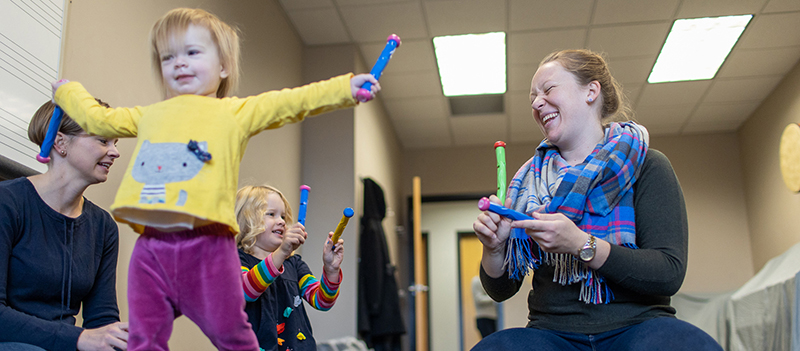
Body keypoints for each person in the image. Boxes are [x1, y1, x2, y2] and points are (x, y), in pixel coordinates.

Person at [50, 8, 377, 350]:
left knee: (233, 336)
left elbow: (291, 102)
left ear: (223, 67)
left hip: (209, 249)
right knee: (145, 338)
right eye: (168, 57)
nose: (179, 63)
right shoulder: (149, 115)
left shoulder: (233, 113)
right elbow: (99, 120)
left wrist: (346, 89)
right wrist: (67, 92)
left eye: (192, 53)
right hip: (153, 249)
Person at [471, 49, 722, 351]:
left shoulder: (648, 165)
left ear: (591, 91)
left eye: (548, 89)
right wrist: (495, 249)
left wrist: (580, 244)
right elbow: (500, 290)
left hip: (639, 326)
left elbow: (667, 273)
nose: (537, 103)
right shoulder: (527, 182)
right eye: (533, 98)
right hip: (552, 333)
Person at [0, 100, 128, 351]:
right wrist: (79, 339)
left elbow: (101, 319)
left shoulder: (103, 226)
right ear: (60, 143)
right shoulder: (7, 203)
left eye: (115, 143)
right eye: (103, 141)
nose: (115, 152)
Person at [235, 185, 344, 351]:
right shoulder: (236, 259)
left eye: (284, 217)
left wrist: (331, 269)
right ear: (247, 220)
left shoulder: (294, 264)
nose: (281, 221)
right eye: (271, 214)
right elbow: (245, 290)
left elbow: (322, 301)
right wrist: (282, 252)